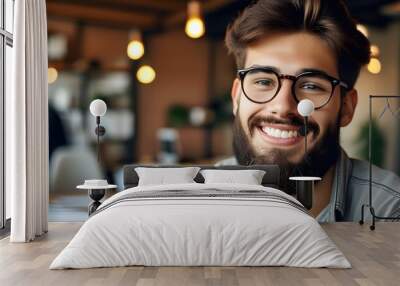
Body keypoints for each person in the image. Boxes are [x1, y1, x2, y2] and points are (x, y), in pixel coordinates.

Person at [217, 0, 400, 222]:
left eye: (311, 86)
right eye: (264, 81)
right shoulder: (194, 199)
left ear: (346, 108)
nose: (283, 107)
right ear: (237, 96)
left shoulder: (389, 213)